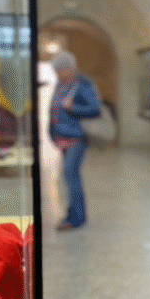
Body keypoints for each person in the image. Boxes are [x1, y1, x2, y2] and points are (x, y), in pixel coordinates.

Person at [48, 49, 101, 231]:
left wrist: (74, 108)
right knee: (71, 176)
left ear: (69, 68)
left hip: (76, 138)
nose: (57, 74)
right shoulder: (61, 84)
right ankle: (74, 214)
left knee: (70, 175)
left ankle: (76, 218)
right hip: (63, 137)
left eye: (59, 71)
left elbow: (95, 109)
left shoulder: (82, 84)